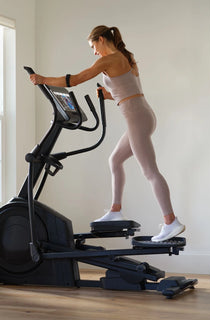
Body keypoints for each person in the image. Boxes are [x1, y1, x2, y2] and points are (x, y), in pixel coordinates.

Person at [29, 25, 185, 242]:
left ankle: (171, 222)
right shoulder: (124, 57)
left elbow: (74, 80)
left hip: (138, 119)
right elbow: (129, 91)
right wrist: (109, 94)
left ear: (101, 39)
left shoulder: (108, 59)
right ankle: (115, 210)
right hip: (142, 115)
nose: (93, 52)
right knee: (115, 160)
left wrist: (43, 79)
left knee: (150, 171)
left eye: (93, 46)